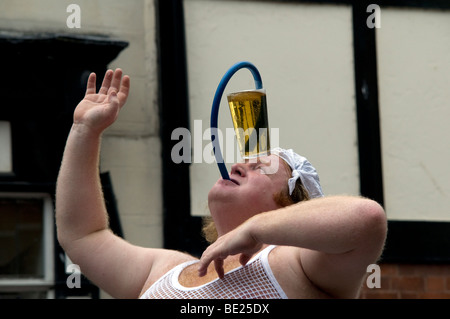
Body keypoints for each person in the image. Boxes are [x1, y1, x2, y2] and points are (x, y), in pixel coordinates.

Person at [55, 68, 387, 299]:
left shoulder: (303, 263)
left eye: (262, 167)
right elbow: (83, 236)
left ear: (294, 203)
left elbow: (366, 217)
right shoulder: (166, 269)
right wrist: (85, 132)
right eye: (244, 160)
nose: (241, 164)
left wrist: (256, 229)